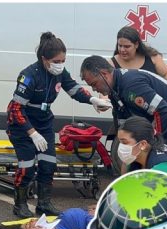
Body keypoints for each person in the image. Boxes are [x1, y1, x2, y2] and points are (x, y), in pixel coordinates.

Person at [7, 32, 112, 219]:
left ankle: (44, 204)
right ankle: (20, 204)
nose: (60, 64)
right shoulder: (29, 76)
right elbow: (15, 109)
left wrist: (94, 100)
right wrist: (32, 133)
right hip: (23, 125)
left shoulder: (60, 73)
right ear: (44, 59)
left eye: (63, 60)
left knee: (48, 165)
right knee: (27, 166)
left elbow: (74, 90)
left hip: (44, 122)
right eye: (56, 61)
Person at [80, 55, 167, 157]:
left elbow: (163, 111)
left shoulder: (131, 84)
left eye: (94, 84)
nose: (94, 89)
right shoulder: (115, 90)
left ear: (104, 74)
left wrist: (159, 145)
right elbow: (124, 125)